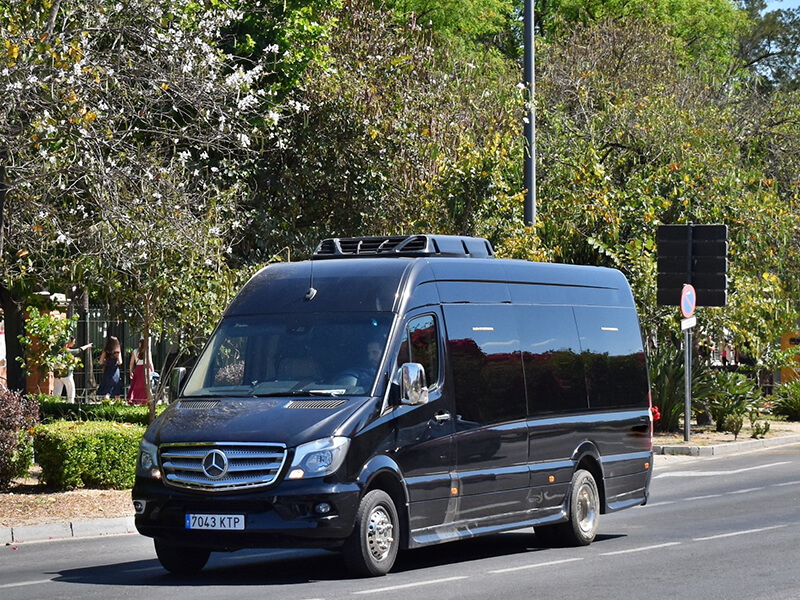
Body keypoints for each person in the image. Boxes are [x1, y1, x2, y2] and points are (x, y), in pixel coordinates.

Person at [53, 339, 92, 403]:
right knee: (71, 391)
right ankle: (71, 404)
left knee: (56, 392)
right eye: (73, 342)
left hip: (57, 375)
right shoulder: (67, 351)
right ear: (67, 343)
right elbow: (79, 350)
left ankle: (53, 404)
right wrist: (88, 346)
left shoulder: (56, 351)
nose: (74, 343)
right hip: (67, 375)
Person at [128, 338, 153, 405]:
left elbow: (131, 363)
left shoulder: (135, 351)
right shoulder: (147, 351)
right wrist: (152, 371)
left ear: (140, 344)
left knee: (136, 385)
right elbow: (150, 363)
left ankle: (136, 399)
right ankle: (145, 400)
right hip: (146, 369)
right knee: (145, 385)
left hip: (138, 369)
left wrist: (130, 371)